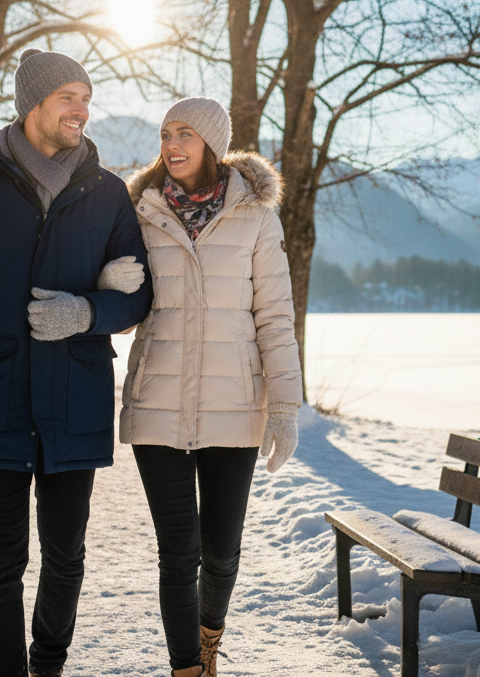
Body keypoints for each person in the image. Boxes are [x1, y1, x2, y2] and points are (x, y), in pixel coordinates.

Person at [0, 48, 152, 677]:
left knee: (66, 555)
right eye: (69, 96)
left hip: (76, 397)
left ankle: (49, 666)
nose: (82, 110)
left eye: (87, 98)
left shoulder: (109, 194)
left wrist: (89, 312)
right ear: (32, 103)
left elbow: (143, 295)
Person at [115, 97, 302, 677]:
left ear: (212, 143)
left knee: (220, 552)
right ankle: (186, 670)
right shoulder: (139, 211)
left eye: (185, 134)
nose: (172, 144)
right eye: (166, 133)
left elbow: (274, 315)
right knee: (179, 552)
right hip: (157, 402)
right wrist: (111, 283)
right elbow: (123, 310)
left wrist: (284, 408)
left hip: (234, 402)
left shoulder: (254, 216)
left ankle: (208, 640)